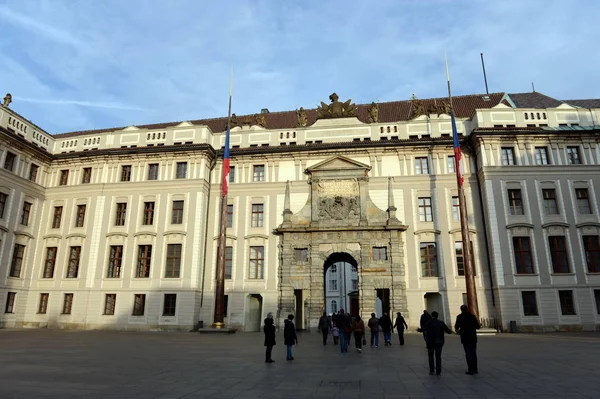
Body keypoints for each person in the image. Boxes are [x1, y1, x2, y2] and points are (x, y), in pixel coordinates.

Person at [423, 311, 452, 375]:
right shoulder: (441, 323)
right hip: (439, 341)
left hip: (430, 342)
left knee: (431, 356)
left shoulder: (429, 322)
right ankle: (438, 371)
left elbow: (423, 329)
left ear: (432, 315)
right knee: (438, 356)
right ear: (437, 316)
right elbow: (448, 331)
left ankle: (432, 370)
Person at [455, 305, 481, 375]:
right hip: (472, 337)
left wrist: (459, 331)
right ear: (467, 309)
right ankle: (475, 368)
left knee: (468, 353)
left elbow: (456, 327)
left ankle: (470, 368)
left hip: (465, 337)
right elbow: (477, 326)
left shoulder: (459, 317)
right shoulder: (472, 316)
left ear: (461, 309)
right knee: (473, 353)